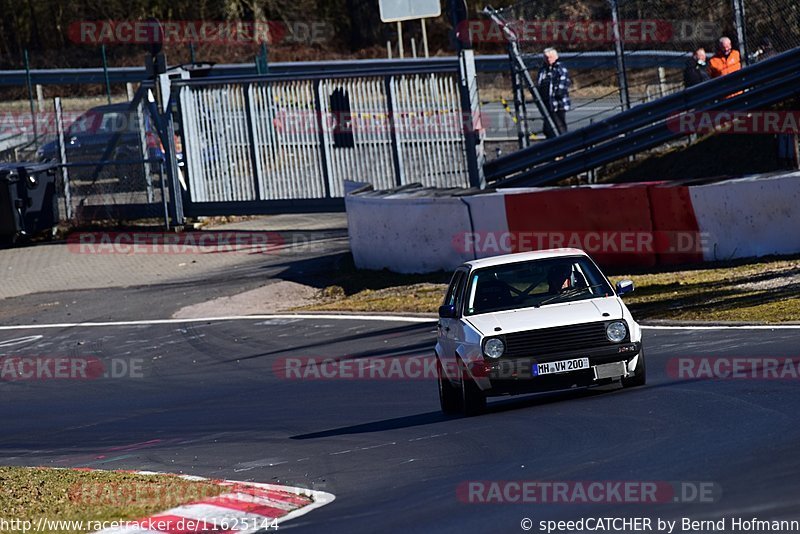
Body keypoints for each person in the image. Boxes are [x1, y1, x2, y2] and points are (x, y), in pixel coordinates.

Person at [536, 48, 571, 138]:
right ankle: (550, 144)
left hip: (557, 103)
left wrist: (557, 94)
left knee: (559, 126)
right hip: (546, 102)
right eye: (546, 57)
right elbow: (539, 83)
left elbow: (563, 83)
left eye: (550, 57)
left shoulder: (560, 68)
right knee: (547, 128)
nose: (548, 59)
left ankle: (563, 144)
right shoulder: (543, 69)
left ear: (555, 57)